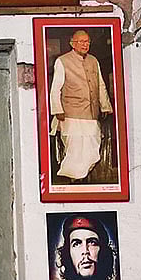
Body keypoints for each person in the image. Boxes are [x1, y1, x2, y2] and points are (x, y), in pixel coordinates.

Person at [48, 30, 113, 180]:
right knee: (75, 150)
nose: (85, 45)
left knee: (93, 146)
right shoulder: (62, 61)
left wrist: (105, 106)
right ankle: (72, 179)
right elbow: (55, 88)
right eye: (81, 42)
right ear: (73, 44)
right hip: (71, 114)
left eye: (87, 42)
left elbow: (100, 85)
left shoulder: (93, 60)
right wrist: (58, 110)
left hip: (91, 113)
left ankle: (82, 178)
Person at [51, 215, 118, 280]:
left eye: (92, 243)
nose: (85, 251)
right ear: (68, 254)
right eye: (76, 244)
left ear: (104, 252)